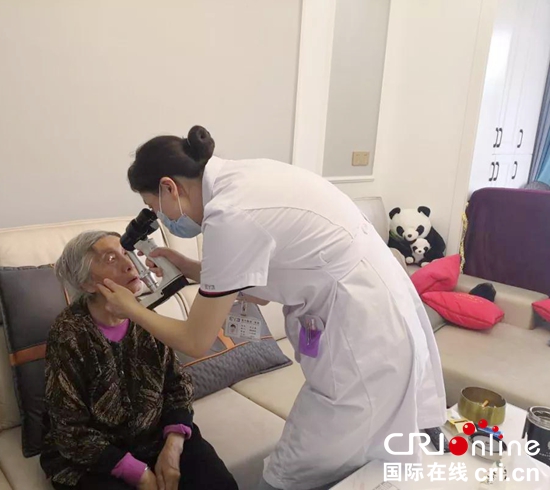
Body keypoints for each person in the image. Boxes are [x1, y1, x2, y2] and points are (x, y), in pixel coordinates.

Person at [97, 126, 447, 490]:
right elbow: (257, 278)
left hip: (362, 337)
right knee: (365, 466)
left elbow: (195, 340)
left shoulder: (229, 214)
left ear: (169, 187)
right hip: (375, 313)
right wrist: (189, 268)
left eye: (155, 208)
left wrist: (131, 308)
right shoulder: (242, 180)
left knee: (287, 475)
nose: (161, 217)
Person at [40, 231, 237, 490]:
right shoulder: (68, 334)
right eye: (111, 258)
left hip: (155, 437)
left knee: (219, 483)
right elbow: (69, 430)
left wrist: (173, 446)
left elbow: (178, 386)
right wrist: (139, 473)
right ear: (87, 283)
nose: (129, 264)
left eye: (126, 252)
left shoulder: (145, 316)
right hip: (95, 457)